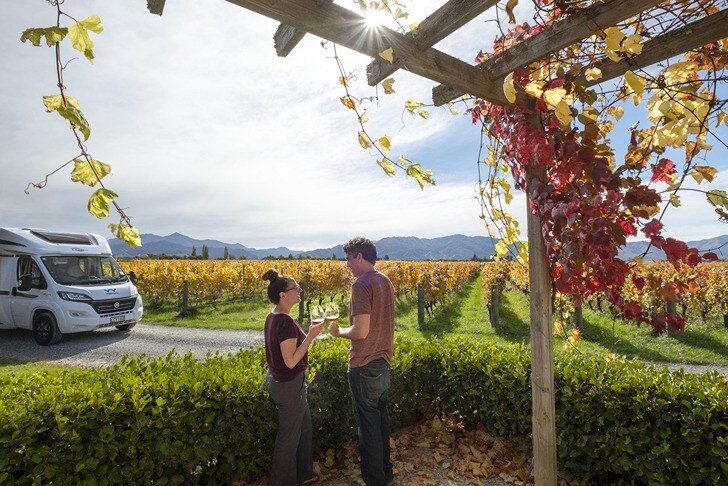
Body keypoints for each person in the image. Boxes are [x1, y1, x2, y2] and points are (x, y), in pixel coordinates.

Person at [329, 237, 395, 486]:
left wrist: (339, 332)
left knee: (368, 430)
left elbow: (360, 331)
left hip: (364, 364)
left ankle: (374, 480)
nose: (346, 264)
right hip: (384, 361)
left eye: (348, 258)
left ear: (358, 256)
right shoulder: (385, 280)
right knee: (380, 424)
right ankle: (386, 474)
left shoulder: (361, 285)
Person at [262, 269, 323, 486]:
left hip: (283, 382)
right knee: (288, 440)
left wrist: (307, 335)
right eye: (295, 288)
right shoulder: (285, 322)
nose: (300, 290)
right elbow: (290, 360)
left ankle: (303, 475)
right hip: (289, 385)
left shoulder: (274, 316)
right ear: (282, 295)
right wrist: (311, 337)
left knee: (304, 428)